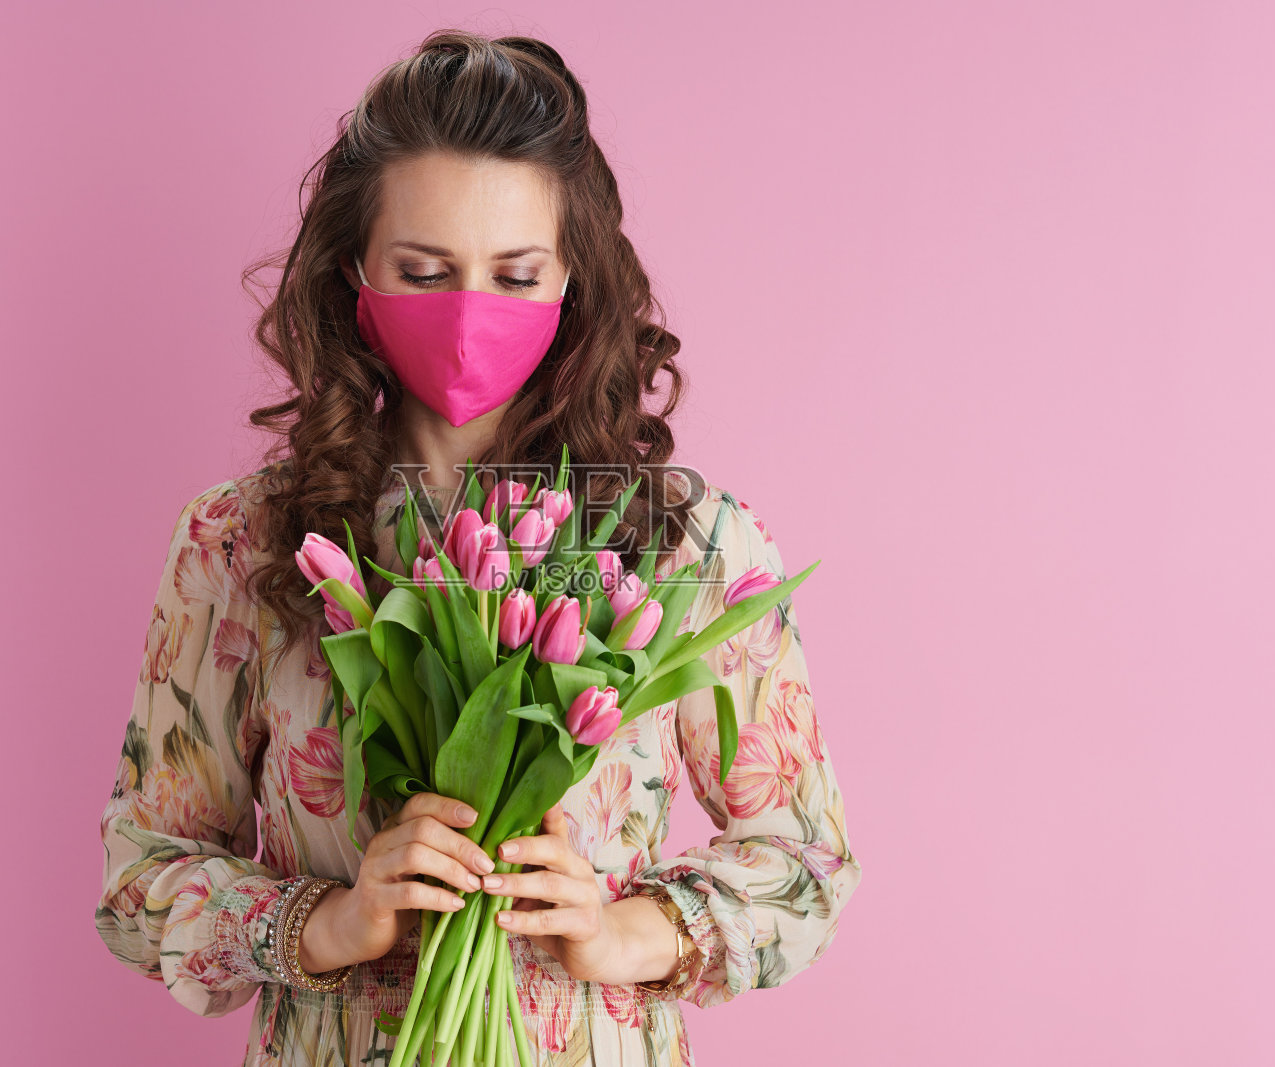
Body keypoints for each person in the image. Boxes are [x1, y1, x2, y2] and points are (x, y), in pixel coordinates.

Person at [95, 29, 862, 1066]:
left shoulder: (682, 544)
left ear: (574, 282)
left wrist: (620, 929)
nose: (468, 314)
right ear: (353, 272)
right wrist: (327, 921)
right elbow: (140, 879)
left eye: (515, 273)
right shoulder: (243, 542)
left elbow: (805, 860)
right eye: (424, 270)